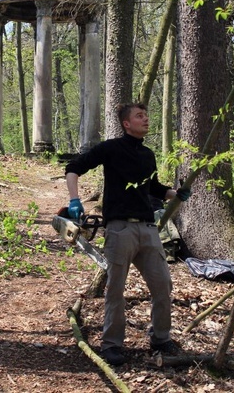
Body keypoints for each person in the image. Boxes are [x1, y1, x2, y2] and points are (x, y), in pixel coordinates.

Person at [64, 102, 191, 366]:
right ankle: (111, 345)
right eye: (139, 116)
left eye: (147, 115)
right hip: (119, 228)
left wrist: (175, 195)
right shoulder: (110, 148)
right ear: (126, 123)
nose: (146, 119)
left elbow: (153, 187)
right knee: (115, 290)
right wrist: (75, 200)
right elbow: (74, 168)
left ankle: (160, 337)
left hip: (148, 229)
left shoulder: (148, 154)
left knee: (163, 285)